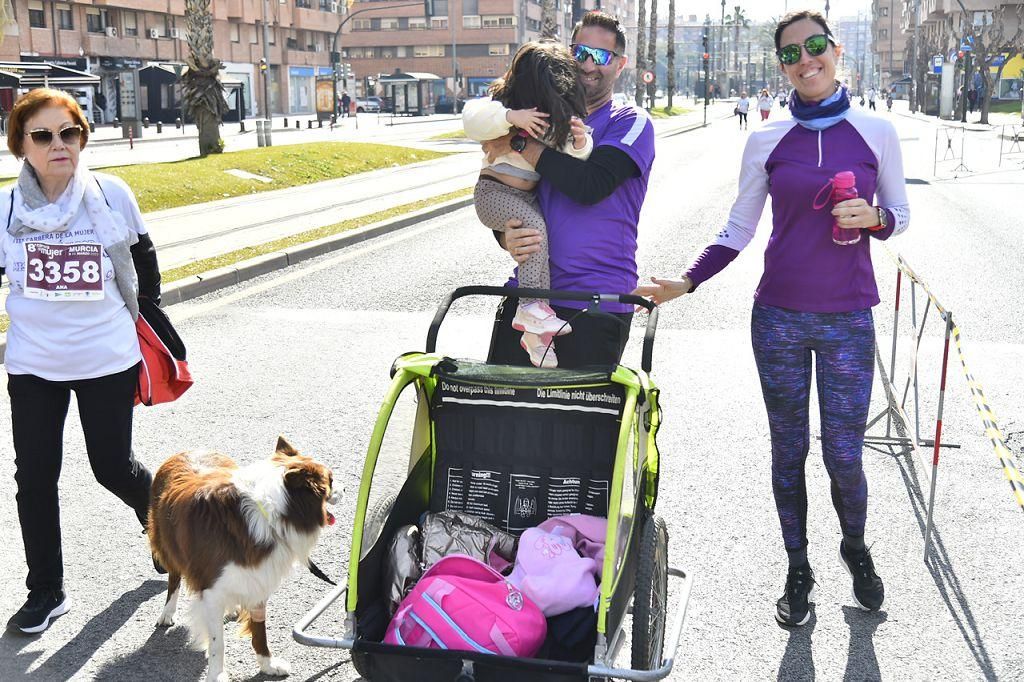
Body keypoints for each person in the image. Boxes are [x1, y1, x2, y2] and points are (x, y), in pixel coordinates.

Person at [633, 10, 910, 628]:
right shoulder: (767, 137)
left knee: (844, 455)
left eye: (816, 46)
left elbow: (900, 211)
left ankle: (856, 551)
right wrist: (688, 280)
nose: (806, 60)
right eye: (792, 53)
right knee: (788, 451)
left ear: (836, 51)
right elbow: (739, 226)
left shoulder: (876, 131)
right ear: (780, 63)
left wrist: (879, 221)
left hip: (847, 319)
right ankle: (797, 568)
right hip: (778, 318)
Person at [0, 88, 163, 634]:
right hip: (33, 364)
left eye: (68, 133)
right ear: (21, 145)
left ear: (82, 138)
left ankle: (159, 520)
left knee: (111, 466)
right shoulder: (6, 208)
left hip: (105, 357)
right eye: (42, 135)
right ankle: (46, 590)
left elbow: (145, 267)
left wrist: (149, 323)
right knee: (35, 478)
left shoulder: (111, 194)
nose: (57, 145)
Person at [481, 11, 655, 369]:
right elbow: (509, 190)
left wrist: (520, 143)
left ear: (620, 65)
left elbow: (590, 186)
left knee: (583, 423)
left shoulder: (630, 121)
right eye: (581, 52)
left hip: (597, 302)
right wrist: (505, 236)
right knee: (502, 419)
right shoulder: (537, 117)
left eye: (602, 56)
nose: (589, 64)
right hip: (530, 297)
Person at [462, 42, 594, 367]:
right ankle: (532, 308)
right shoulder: (502, 109)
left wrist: (580, 142)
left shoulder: (550, 118)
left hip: (523, 197)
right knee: (535, 233)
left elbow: (572, 157)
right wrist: (510, 116)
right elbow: (471, 120)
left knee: (538, 246)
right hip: (493, 194)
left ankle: (536, 339)